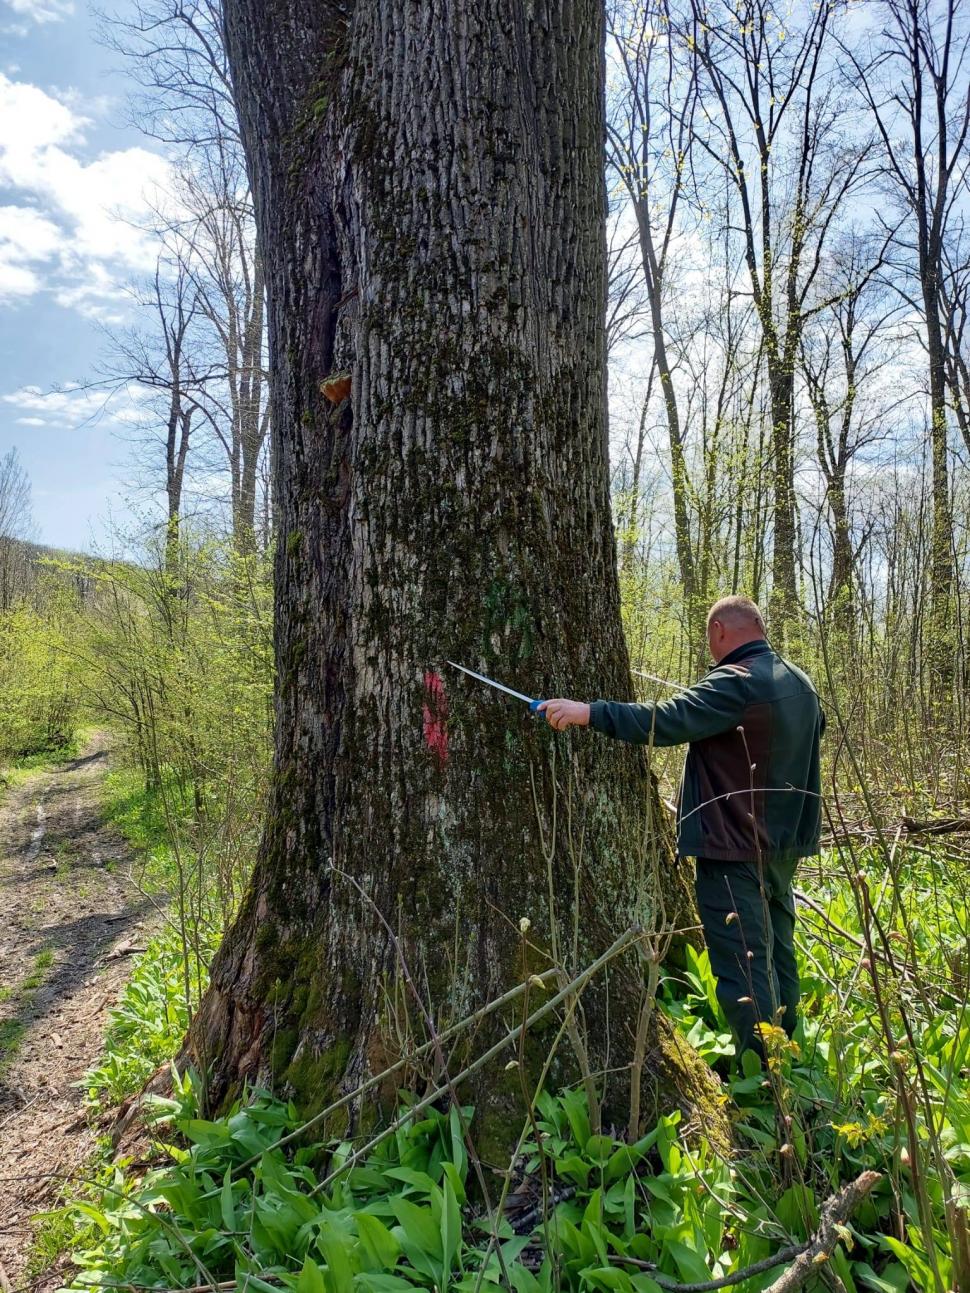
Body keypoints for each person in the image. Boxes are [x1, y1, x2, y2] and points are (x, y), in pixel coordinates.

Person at [538, 595, 824, 1059]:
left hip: (734, 848)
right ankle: (792, 1056)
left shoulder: (735, 682)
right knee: (776, 952)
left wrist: (589, 712)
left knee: (744, 965)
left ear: (720, 633)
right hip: (783, 847)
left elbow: (665, 720)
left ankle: (766, 1078)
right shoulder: (800, 682)